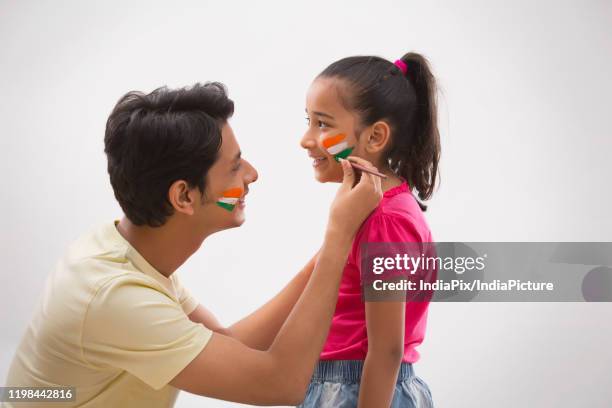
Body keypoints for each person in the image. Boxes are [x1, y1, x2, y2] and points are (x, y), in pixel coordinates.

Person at [4, 82, 383, 407]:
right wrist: (338, 239)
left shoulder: (124, 250)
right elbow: (280, 383)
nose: (252, 174)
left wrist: (334, 243)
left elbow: (231, 344)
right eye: (234, 166)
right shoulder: (115, 296)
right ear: (183, 196)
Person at [299, 53, 440, 407]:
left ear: (376, 136)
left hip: (356, 391)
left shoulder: (385, 222)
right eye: (308, 121)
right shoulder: (366, 210)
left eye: (322, 124)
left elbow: (388, 349)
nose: (306, 138)